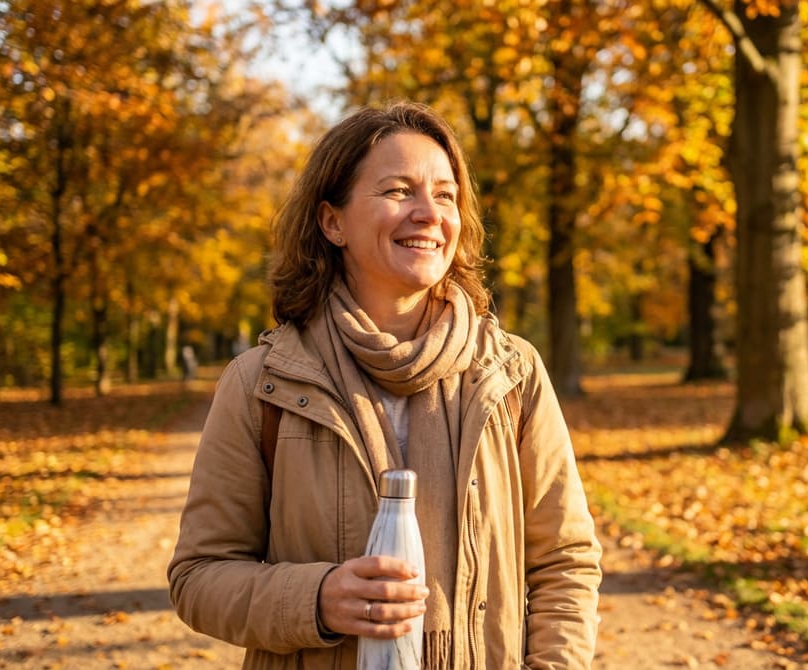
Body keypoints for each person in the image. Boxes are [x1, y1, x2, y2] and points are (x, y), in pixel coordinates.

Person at [168, 101, 602, 669]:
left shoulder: (511, 374)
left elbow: (564, 561)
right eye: (399, 190)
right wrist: (317, 599)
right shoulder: (261, 384)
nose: (429, 212)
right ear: (333, 222)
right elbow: (198, 577)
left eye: (445, 195)